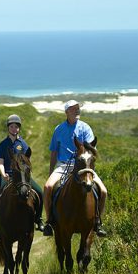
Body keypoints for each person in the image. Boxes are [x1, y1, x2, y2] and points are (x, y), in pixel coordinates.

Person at [43, 100, 107, 237]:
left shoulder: (85, 128)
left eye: (78, 108)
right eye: (73, 109)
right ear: (67, 112)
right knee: (48, 187)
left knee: (103, 191)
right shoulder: (58, 129)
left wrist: (90, 169)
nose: (77, 111)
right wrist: (50, 171)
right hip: (63, 164)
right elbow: (54, 151)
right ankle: (49, 222)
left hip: (83, 165)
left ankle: (97, 222)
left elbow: (91, 150)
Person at [0, 114, 45, 231]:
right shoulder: (3, 144)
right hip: (7, 175)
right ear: (8, 128)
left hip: (21, 176)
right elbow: (0, 161)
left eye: (16, 127)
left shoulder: (23, 144)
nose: (14, 129)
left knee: (40, 192)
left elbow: (26, 162)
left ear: (19, 128)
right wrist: (3, 174)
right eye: (11, 127)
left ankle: (38, 219)